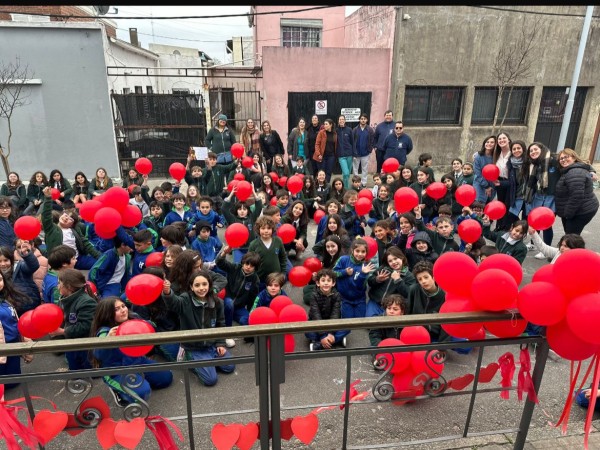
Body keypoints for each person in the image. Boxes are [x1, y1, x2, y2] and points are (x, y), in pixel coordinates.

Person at [91, 296, 173, 405]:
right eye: (116, 309)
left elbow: (150, 328)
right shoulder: (105, 331)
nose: (123, 310)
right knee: (142, 395)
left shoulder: (132, 319)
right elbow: (98, 354)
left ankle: (140, 383)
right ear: (107, 314)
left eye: (123, 306)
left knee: (166, 378)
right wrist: (108, 340)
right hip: (116, 371)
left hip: (137, 362)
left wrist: (144, 324)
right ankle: (119, 392)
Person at [48, 268, 98, 370]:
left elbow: (86, 326)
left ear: (69, 287)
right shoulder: (64, 298)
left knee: (86, 369)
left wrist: (63, 331)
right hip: (72, 342)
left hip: (84, 345)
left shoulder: (86, 302)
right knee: (74, 367)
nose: (57, 286)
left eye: (59, 283)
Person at [41, 186, 100, 270]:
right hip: (60, 263)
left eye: (70, 219)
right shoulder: (52, 229)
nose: (66, 218)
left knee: (101, 264)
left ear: (72, 224)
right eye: (65, 216)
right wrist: (47, 198)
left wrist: (99, 256)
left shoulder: (75, 230)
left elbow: (86, 243)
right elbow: (46, 216)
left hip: (77, 260)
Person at [523, 142, 559, 256]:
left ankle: (546, 249)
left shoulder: (554, 159)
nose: (533, 152)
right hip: (538, 195)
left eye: (535, 149)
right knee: (535, 221)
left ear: (542, 149)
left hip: (551, 197)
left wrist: (591, 171)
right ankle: (534, 243)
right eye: (531, 151)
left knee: (547, 224)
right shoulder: (534, 164)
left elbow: (574, 163)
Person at [554, 148, 599, 235]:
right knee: (571, 234)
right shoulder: (570, 169)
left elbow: (576, 196)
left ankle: (572, 248)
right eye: (561, 159)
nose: (563, 160)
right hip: (581, 209)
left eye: (566, 157)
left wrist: (567, 214)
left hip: (581, 211)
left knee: (571, 236)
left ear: (574, 158)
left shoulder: (575, 172)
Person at [0, 270, 33, 388]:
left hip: (13, 344)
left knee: (13, 380)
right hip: (2, 347)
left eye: (0, 279)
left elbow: (16, 322)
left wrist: (25, 344)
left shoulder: (6, 301)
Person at [215, 247, 260, 327]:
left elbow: (252, 299)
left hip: (239, 308)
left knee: (247, 320)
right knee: (229, 304)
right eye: (247, 264)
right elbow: (219, 262)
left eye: (252, 266)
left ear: (255, 268)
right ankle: (228, 330)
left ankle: (230, 316)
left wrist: (251, 312)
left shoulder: (255, 279)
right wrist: (224, 253)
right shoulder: (235, 268)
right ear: (243, 263)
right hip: (226, 302)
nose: (248, 267)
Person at [306, 268, 349, 351]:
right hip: (316, 323)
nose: (326, 283)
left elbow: (335, 314)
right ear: (318, 283)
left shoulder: (337, 295)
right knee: (308, 332)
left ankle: (319, 344)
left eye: (329, 281)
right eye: (323, 280)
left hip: (331, 323)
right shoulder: (313, 295)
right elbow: (316, 315)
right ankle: (335, 340)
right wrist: (323, 335)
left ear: (333, 283)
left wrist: (330, 333)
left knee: (347, 327)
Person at [333, 238, 376, 318]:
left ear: (366, 253)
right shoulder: (343, 259)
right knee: (348, 321)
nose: (360, 254)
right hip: (344, 298)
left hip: (360, 299)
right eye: (357, 251)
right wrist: (344, 272)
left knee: (359, 320)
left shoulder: (366, 266)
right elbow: (332, 274)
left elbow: (361, 286)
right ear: (352, 250)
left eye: (363, 251)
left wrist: (363, 274)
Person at [406, 261, 449, 343]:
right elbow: (408, 312)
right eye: (420, 279)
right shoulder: (413, 290)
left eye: (426, 277)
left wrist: (442, 346)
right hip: (418, 331)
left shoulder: (445, 295)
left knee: (464, 348)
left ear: (433, 277)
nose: (423, 281)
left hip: (437, 332)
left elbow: (447, 322)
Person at [366, 247, 416, 317]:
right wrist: (377, 279)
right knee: (370, 324)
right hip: (375, 302)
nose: (393, 262)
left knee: (386, 326)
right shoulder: (383, 269)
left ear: (402, 257)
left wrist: (398, 281)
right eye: (390, 261)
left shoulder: (409, 276)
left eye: (395, 259)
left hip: (391, 307)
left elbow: (408, 293)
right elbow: (370, 282)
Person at [222, 185, 262, 263]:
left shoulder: (251, 218)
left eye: (244, 209)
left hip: (250, 248)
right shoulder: (232, 219)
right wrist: (231, 194)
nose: (242, 211)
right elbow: (224, 209)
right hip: (237, 248)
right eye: (240, 209)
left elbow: (259, 207)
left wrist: (254, 192)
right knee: (238, 265)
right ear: (236, 210)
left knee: (251, 266)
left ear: (248, 210)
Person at [0, 242, 41, 314]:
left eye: (6, 260)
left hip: (28, 307)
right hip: (9, 312)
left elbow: (33, 266)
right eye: (0, 261)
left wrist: (27, 254)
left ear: (11, 260)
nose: (3, 264)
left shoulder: (19, 267)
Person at [247, 216, 287, 286]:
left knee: (274, 294)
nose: (266, 231)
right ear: (258, 229)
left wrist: (283, 273)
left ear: (273, 229)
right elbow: (249, 262)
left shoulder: (278, 241)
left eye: (269, 228)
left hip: (276, 278)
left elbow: (283, 257)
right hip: (259, 279)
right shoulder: (253, 244)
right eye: (263, 228)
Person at [500, 140, 527, 227]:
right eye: (514, 149)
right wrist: (500, 183)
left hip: (529, 197)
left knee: (528, 219)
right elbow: (512, 183)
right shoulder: (511, 164)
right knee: (511, 217)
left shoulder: (529, 162)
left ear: (523, 149)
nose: (516, 150)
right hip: (517, 196)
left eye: (518, 148)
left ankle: (533, 240)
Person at [492, 132, 512, 230]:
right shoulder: (496, 153)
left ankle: (505, 227)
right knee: (500, 205)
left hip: (510, 182)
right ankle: (498, 226)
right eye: (499, 139)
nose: (502, 140)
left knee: (507, 205)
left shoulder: (513, 153)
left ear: (508, 140)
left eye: (504, 138)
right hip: (499, 181)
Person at [353, 113, 374, 188]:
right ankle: (356, 182)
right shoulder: (355, 129)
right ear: (359, 120)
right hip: (356, 153)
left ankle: (364, 183)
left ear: (367, 120)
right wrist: (354, 152)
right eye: (361, 119)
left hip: (365, 153)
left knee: (364, 168)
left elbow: (372, 140)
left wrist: (370, 150)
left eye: (364, 119)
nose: (363, 120)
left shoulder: (370, 130)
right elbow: (353, 141)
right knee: (355, 169)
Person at [313, 118, 337, 184]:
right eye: (324, 124)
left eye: (326, 124)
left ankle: (326, 186)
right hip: (322, 156)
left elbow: (335, 145)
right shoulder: (321, 132)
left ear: (331, 125)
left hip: (331, 156)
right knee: (321, 172)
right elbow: (317, 144)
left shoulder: (334, 133)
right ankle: (320, 185)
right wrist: (318, 154)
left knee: (329, 172)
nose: (324, 125)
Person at [473, 135, 496, 203]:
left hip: (492, 184)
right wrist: (486, 186)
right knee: (478, 205)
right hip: (479, 183)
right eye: (487, 142)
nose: (489, 143)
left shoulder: (496, 157)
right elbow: (477, 173)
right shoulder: (478, 156)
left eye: (492, 142)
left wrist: (490, 186)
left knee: (488, 205)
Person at [336, 115, 355, 189]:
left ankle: (343, 187)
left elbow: (352, 142)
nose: (341, 121)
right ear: (338, 121)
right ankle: (346, 188)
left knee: (347, 174)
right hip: (341, 156)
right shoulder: (336, 130)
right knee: (346, 172)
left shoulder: (349, 130)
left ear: (345, 120)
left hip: (349, 154)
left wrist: (354, 153)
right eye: (340, 119)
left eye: (342, 119)